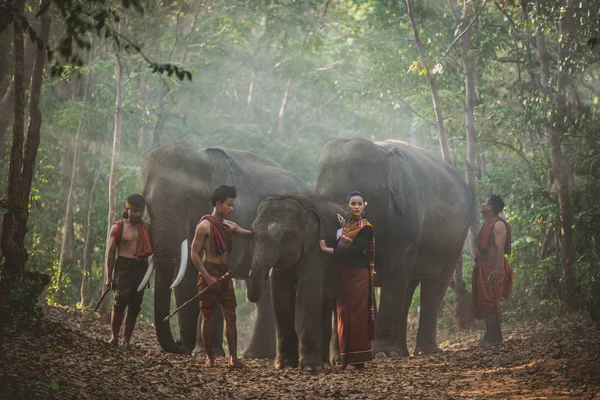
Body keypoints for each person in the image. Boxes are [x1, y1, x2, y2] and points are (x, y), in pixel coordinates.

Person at [190, 185, 253, 368]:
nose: (232, 209)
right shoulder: (204, 227)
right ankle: (209, 356)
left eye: (232, 205)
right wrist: (207, 277)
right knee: (207, 316)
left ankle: (233, 358)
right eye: (229, 205)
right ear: (218, 204)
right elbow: (194, 253)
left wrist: (261, 229)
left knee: (231, 315)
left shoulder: (230, 226)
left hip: (225, 275)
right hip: (208, 272)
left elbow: (249, 235)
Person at [319, 191, 376, 370]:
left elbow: (354, 250)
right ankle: (346, 359)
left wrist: (327, 250)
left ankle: (357, 361)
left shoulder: (366, 227)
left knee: (356, 315)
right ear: (347, 206)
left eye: (360, 203)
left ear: (364, 206)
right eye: (353, 203)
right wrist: (344, 227)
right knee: (343, 315)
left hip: (358, 274)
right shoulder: (349, 227)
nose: (357, 206)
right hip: (343, 274)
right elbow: (346, 238)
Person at [105, 194, 153, 346]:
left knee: (135, 304)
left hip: (141, 267)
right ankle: (114, 337)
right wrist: (108, 277)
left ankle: (126, 339)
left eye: (141, 211)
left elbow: (158, 248)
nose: (138, 214)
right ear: (127, 210)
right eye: (135, 211)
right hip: (123, 267)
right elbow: (111, 253)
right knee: (120, 301)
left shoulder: (147, 228)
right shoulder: (118, 228)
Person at [472, 194, 514, 344]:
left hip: (492, 268)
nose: (482, 204)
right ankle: (491, 336)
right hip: (484, 267)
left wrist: (497, 270)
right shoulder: (487, 223)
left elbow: (500, 248)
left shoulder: (498, 224)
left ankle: (494, 338)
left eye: (484, 202)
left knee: (492, 302)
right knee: (487, 302)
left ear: (490, 207)